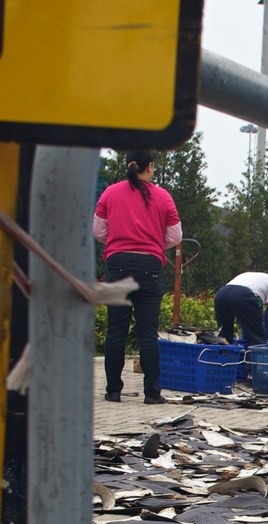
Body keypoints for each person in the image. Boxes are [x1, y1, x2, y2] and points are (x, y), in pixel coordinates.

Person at [93, 150, 182, 405]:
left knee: (116, 331)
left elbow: (98, 229)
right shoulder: (163, 196)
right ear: (150, 167)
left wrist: (117, 243)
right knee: (148, 334)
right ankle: (152, 394)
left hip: (117, 264)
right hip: (150, 266)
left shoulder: (110, 192)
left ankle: (113, 391)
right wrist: (152, 244)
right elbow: (175, 237)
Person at [214, 272, 268, 345]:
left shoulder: (250, 275)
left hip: (222, 293)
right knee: (255, 339)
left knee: (224, 337)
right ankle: (251, 355)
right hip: (244, 295)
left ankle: (222, 354)